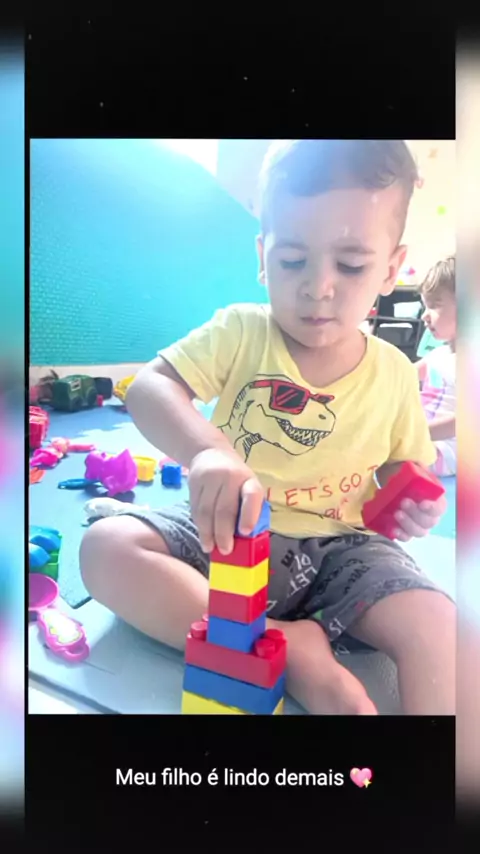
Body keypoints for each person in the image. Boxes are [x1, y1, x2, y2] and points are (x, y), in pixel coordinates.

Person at [80, 140, 454, 715]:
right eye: (293, 261)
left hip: (342, 550)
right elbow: (151, 386)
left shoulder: (396, 373)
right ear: (262, 256)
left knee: (440, 624)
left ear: (390, 268)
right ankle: (284, 648)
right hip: (224, 534)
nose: (318, 286)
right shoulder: (241, 331)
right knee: (106, 548)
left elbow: (405, 467)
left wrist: (415, 503)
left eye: (351, 265)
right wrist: (208, 451)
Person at [416, 256, 456, 475]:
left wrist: (415, 433)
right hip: (423, 440)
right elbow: (401, 374)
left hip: (449, 451)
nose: (424, 315)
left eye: (434, 306)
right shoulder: (439, 354)